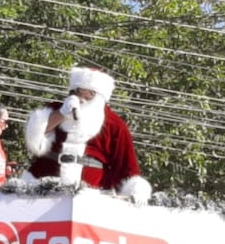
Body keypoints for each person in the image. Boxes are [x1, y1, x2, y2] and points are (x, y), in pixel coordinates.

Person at [22, 66, 151, 205]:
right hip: (45, 186)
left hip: (90, 194)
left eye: (88, 93)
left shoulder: (114, 124)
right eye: (76, 91)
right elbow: (35, 139)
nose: (80, 97)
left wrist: (135, 191)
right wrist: (62, 112)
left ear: (98, 95)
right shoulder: (55, 110)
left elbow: (126, 165)